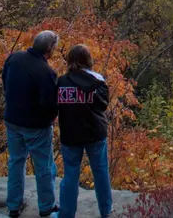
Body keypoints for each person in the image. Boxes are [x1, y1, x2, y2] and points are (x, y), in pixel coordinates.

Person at [2, 30, 61, 218]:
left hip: (12, 121)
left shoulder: (14, 59)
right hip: (36, 126)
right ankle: (46, 206)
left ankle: (13, 205)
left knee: (15, 162)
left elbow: (5, 81)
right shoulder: (46, 72)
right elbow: (50, 104)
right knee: (43, 166)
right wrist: (49, 119)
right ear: (50, 48)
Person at [54, 44, 112, 218]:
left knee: (70, 175)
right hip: (95, 133)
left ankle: (66, 214)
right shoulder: (97, 80)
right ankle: (106, 211)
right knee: (101, 172)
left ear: (70, 60)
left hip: (70, 134)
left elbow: (54, 107)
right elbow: (103, 105)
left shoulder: (61, 82)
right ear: (88, 60)